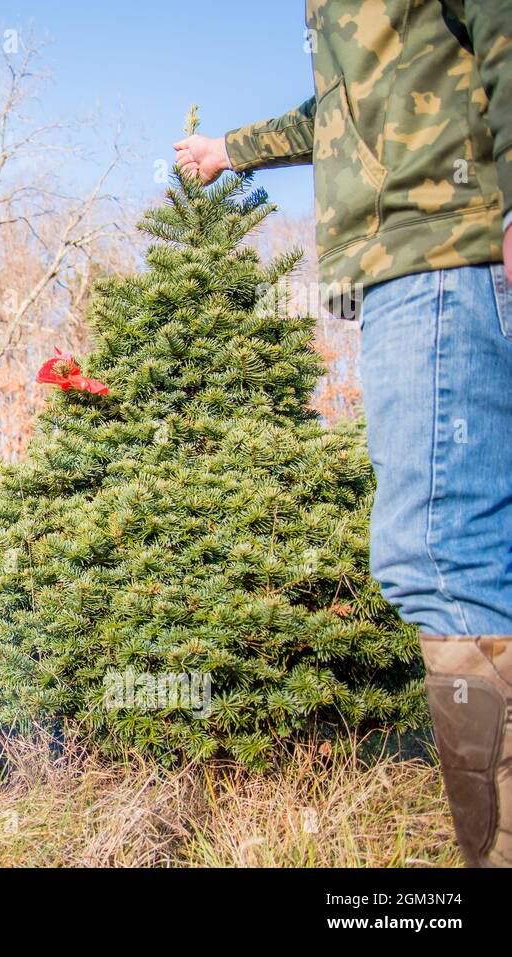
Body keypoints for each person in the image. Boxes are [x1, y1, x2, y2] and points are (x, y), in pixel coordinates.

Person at [173, 1, 511, 867]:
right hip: (422, 261)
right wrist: (231, 150)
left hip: (442, 251)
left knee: (440, 555)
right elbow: (346, 105)